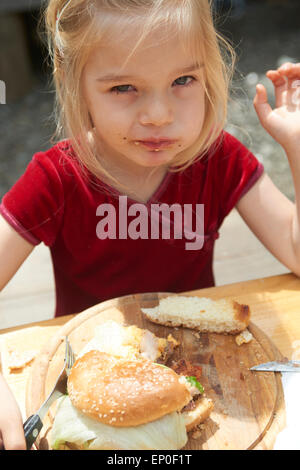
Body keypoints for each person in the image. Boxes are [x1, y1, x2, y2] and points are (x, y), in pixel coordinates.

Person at [0, 0, 299, 450]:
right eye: (123, 87)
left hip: (203, 371)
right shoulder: (57, 178)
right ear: (74, 83)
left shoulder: (218, 159)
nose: (158, 114)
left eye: (183, 80)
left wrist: (297, 149)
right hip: (88, 386)